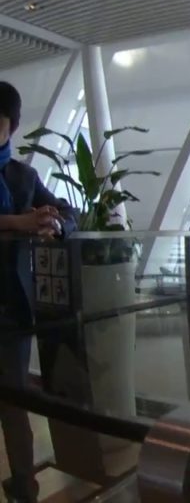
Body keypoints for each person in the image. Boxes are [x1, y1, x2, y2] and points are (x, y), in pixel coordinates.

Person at [0, 81, 76, 503]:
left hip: (12, 309)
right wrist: (20, 224)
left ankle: (24, 490)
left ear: (11, 126)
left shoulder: (22, 177)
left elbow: (69, 211)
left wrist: (54, 223)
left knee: (14, 404)